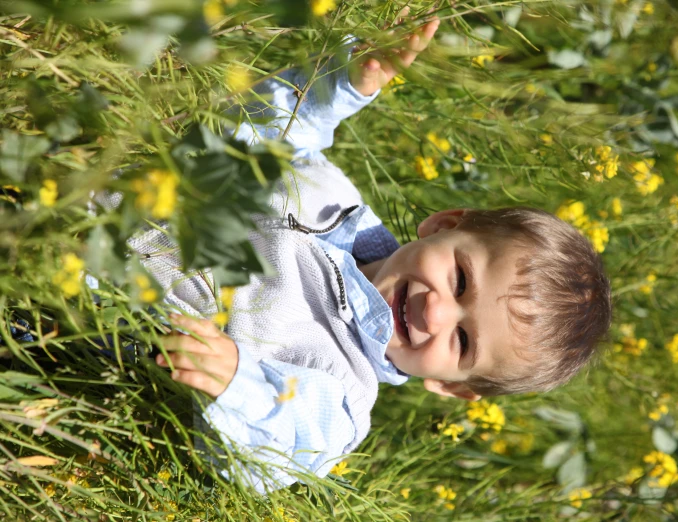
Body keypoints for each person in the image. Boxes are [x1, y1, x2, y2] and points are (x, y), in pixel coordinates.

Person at [145, 13, 611, 494]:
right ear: (444, 225)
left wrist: (234, 380)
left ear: (452, 386)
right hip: (112, 163)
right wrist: (341, 87)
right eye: (461, 280)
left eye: (463, 341)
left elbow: (280, 447)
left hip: (94, 284)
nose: (435, 310)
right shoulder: (335, 205)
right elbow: (256, 132)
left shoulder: (341, 393)